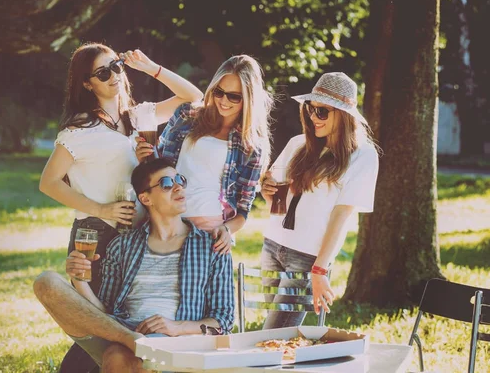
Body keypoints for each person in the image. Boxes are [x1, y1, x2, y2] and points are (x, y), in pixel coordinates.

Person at [38, 42, 203, 372]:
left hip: (138, 235)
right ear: (87, 83)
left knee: (113, 324)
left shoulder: (137, 117)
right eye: (102, 72)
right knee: (97, 323)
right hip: (96, 234)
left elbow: (192, 97)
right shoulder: (80, 129)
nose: (113, 75)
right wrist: (101, 209)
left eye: (116, 66)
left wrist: (151, 68)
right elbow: (49, 183)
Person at [33, 158, 235, 373]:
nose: (178, 187)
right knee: (46, 282)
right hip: (120, 332)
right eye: (166, 183)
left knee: (118, 356)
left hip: (174, 344)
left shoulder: (211, 246)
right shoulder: (122, 245)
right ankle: (131, 340)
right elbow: (103, 313)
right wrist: (79, 280)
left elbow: (223, 320)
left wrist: (177, 327)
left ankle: (133, 344)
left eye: (180, 180)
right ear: (145, 198)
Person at [259, 72, 380, 328]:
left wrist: (320, 269)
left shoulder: (363, 156)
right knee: (275, 337)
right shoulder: (297, 144)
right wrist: (266, 189)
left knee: (274, 334)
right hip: (272, 245)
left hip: (306, 256)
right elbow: (276, 204)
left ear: (343, 114)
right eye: (310, 110)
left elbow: (342, 216)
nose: (313, 117)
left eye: (322, 112)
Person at [136, 55, 273, 254]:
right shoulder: (187, 115)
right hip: (165, 219)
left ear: (249, 98)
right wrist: (144, 159)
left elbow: (243, 209)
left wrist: (226, 229)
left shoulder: (251, 146)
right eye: (219, 92)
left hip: (209, 229)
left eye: (234, 96)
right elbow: (159, 166)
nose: (224, 101)